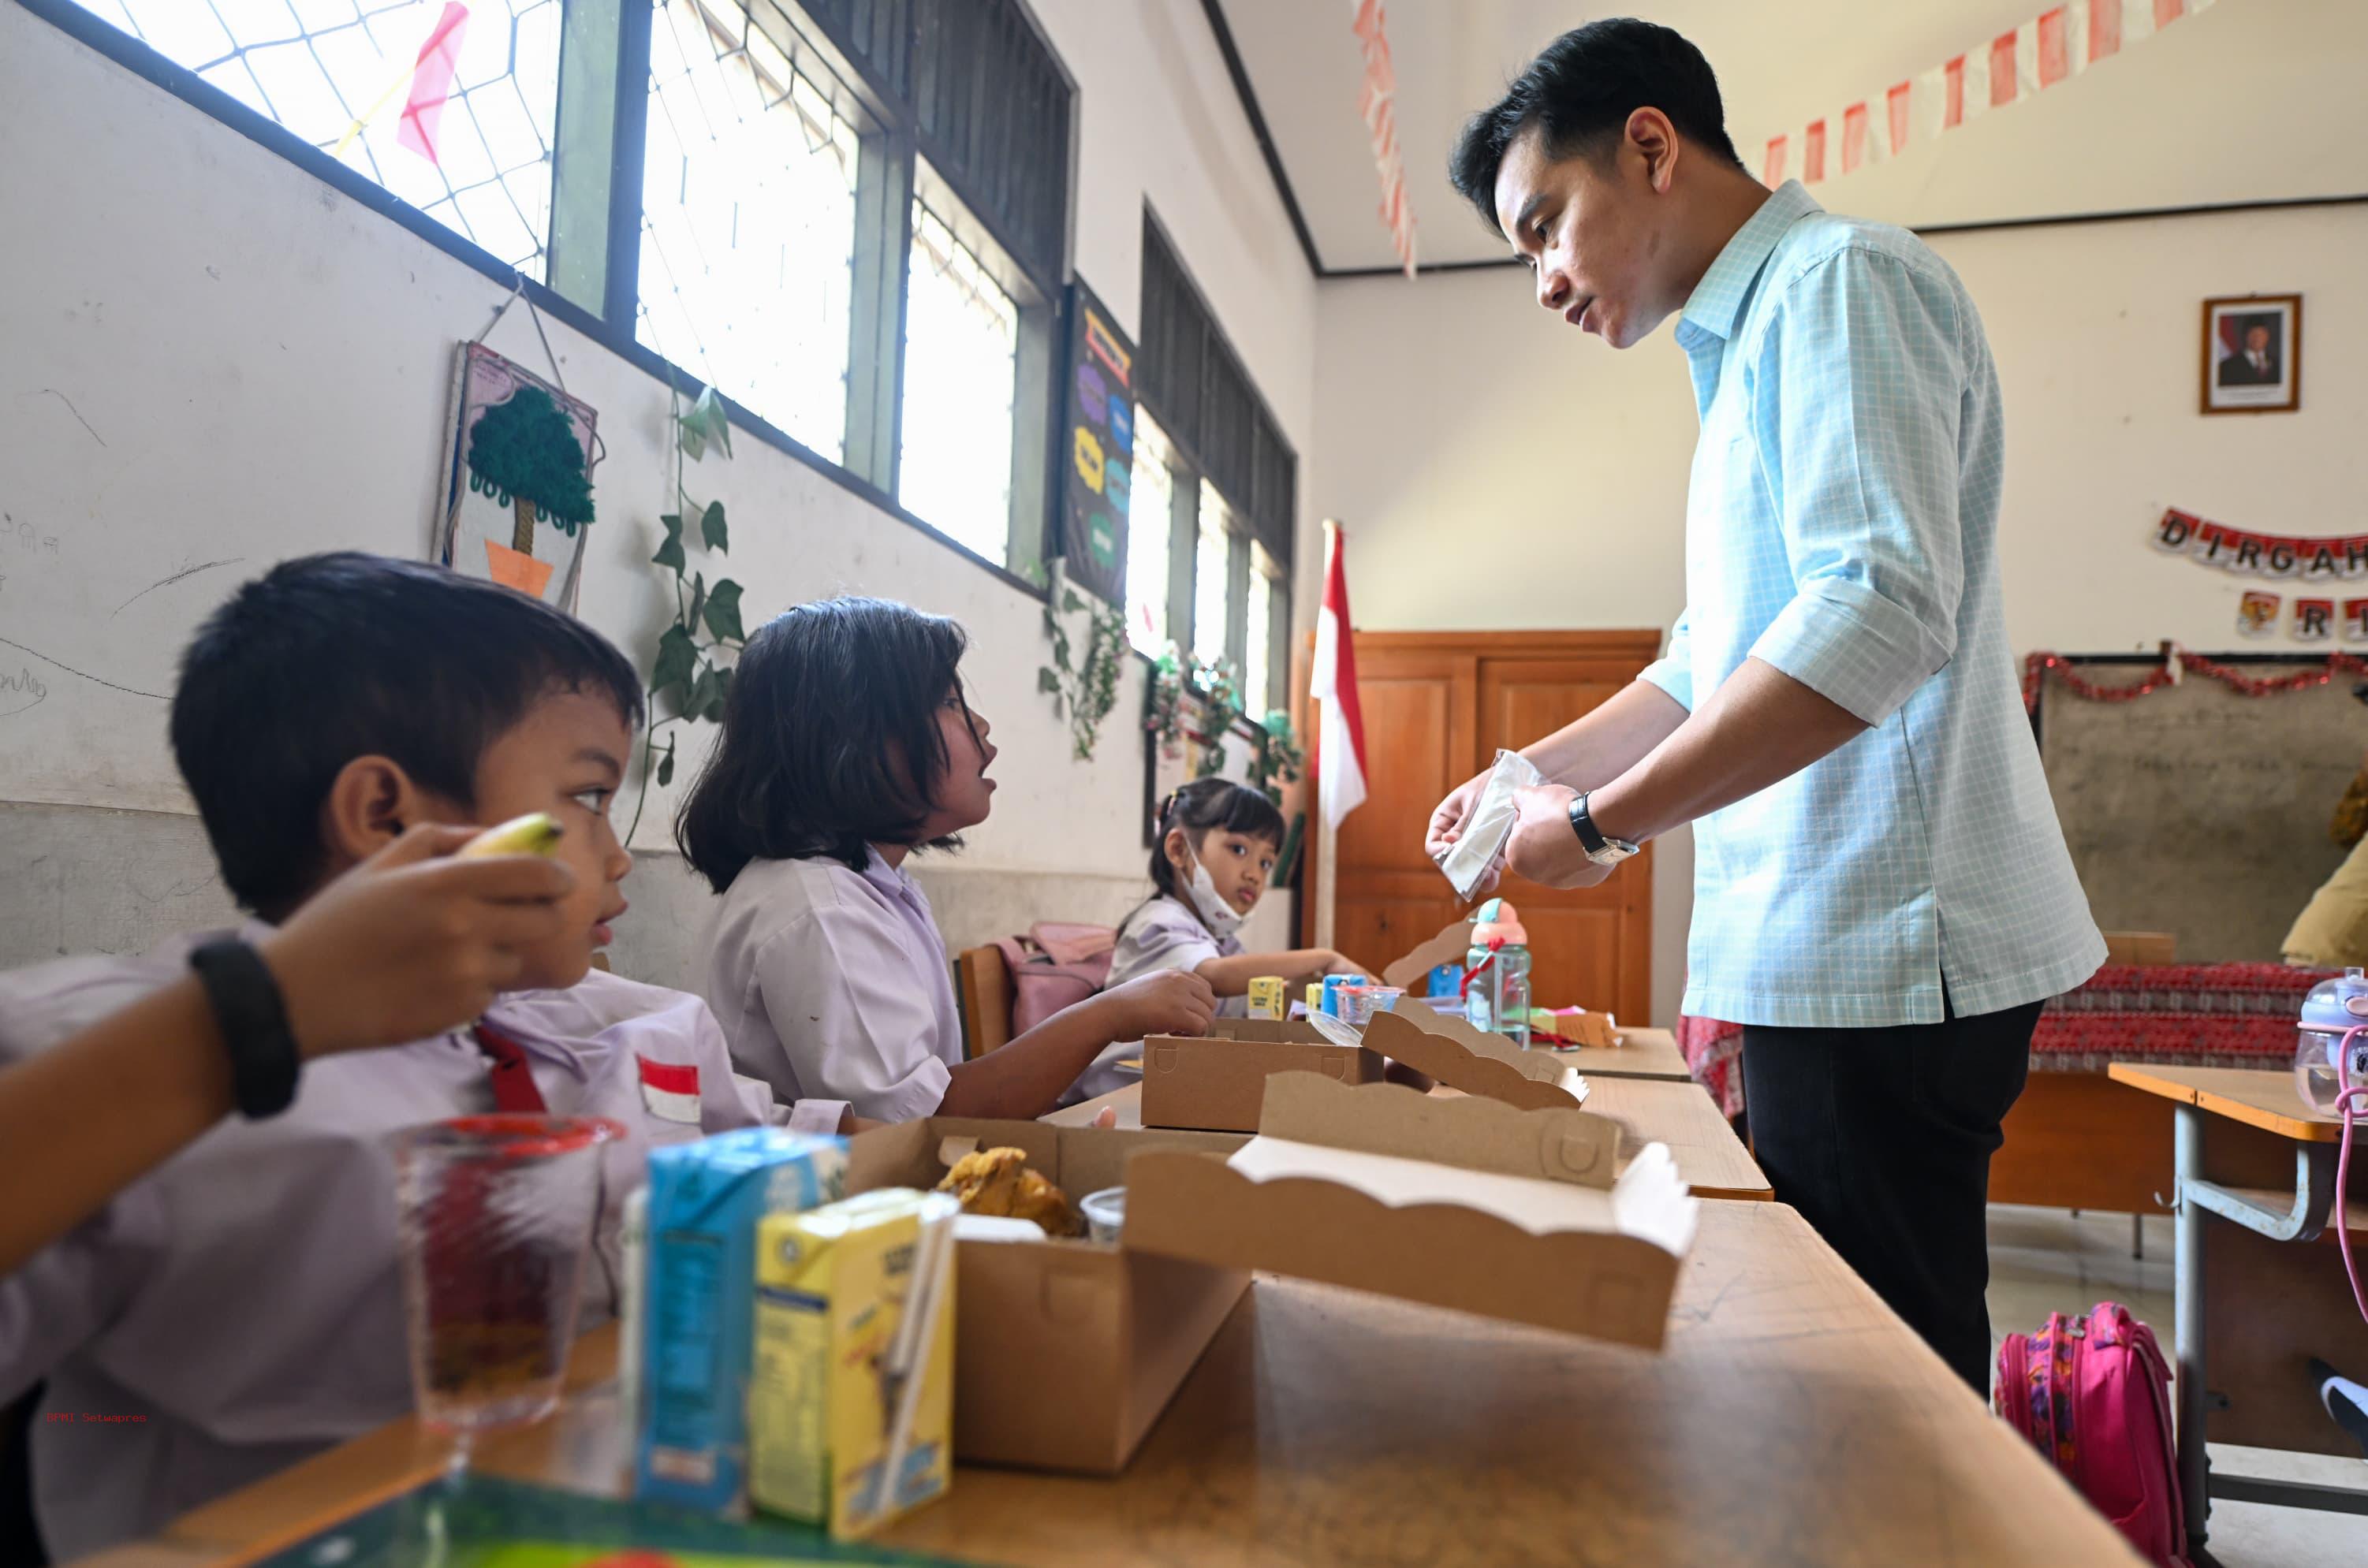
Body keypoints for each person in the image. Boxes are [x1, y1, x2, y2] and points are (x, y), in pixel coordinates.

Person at [1428, 20, 2103, 1392]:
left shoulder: (1836, 282)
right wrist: (1523, 770)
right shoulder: (1743, 351)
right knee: (1836, 1365)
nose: (1543, 279)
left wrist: (1604, 826)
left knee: (1875, 1384)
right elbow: (1705, 655)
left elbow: (1875, 611)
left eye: (1544, 223)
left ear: (1650, 145)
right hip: (1830, 949)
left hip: (1879, 949)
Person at [0, 554, 842, 1559]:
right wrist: (256, 1023)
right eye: (586, 795)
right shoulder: (120, 1058)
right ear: (387, 818)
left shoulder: (611, 1025)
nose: (617, 856)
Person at [679, 596, 1214, 1123]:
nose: (981, 724)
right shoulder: (820, 906)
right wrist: (1111, 1012)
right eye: (950, 702)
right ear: (857, 736)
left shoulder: (872, 885)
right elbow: (921, 1124)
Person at [1075, 779, 1368, 1097]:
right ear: (1178, 850)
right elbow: (1212, 977)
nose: (1254, 874)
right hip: (1113, 1101)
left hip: (1175, 1094)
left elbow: (1259, 1001)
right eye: (1239, 849)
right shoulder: (1158, 923)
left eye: (1266, 862)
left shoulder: (1223, 943)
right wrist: (1323, 958)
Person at [2218, 319, 2280, 386]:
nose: (2257, 337)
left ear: (2268, 336)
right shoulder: (2227, 366)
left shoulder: (2277, 364)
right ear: (2245, 336)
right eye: (2253, 333)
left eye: (2261, 333)